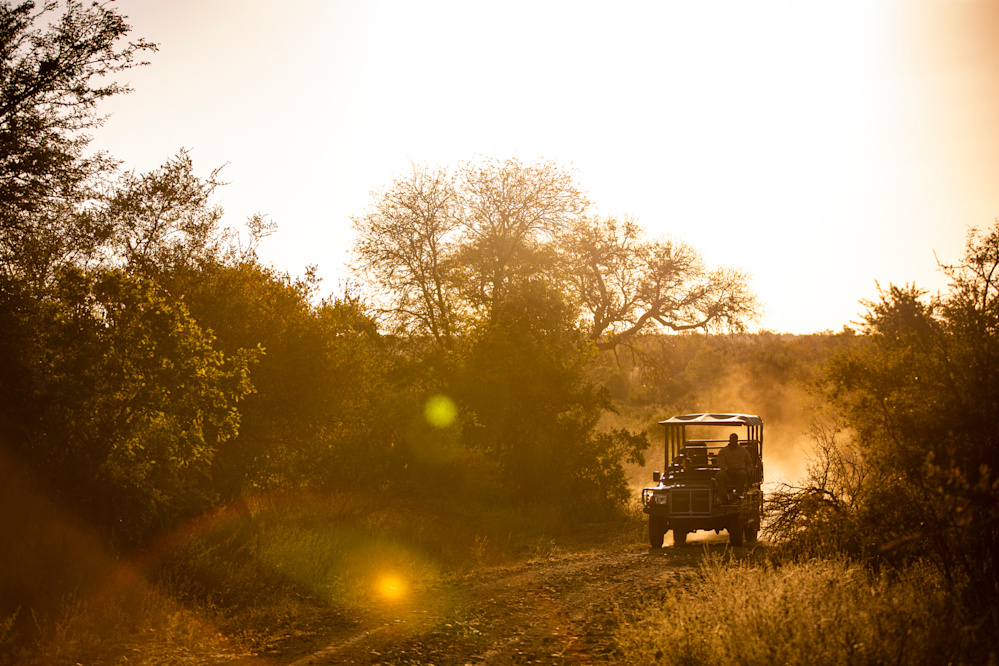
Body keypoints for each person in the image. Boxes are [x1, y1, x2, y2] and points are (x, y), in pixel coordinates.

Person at [716, 433, 752, 500]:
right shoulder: (723, 451)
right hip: (727, 471)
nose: (733, 441)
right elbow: (720, 462)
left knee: (743, 474)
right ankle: (724, 495)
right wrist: (726, 469)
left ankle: (738, 494)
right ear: (729, 440)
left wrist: (748, 471)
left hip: (739, 470)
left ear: (737, 440)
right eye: (732, 439)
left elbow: (749, 462)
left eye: (735, 439)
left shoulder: (743, 450)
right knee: (718, 475)